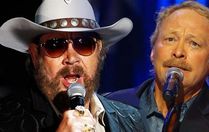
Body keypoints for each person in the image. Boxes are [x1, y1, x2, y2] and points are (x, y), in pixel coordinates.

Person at [0, 0, 144, 131]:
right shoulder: (6, 120)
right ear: (35, 55)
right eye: (54, 45)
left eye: (84, 44)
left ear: (100, 51)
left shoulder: (134, 120)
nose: (71, 58)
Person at [105, 1, 209, 132]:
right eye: (170, 39)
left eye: (194, 43)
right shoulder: (110, 107)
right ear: (153, 51)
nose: (178, 52)